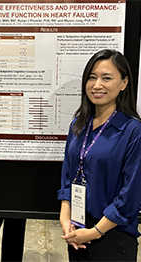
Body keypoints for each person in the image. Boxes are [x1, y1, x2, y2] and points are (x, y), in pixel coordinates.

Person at [58, 49, 141, 261]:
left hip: (112, 237)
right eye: (92, 78)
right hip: (77, 232)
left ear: (124, 83)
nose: (97, 85)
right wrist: (65, 218)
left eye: (106, 78)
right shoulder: (78, 126)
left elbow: (130, 196)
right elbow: (68, 177)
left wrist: (95, 231)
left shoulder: (132, 131)